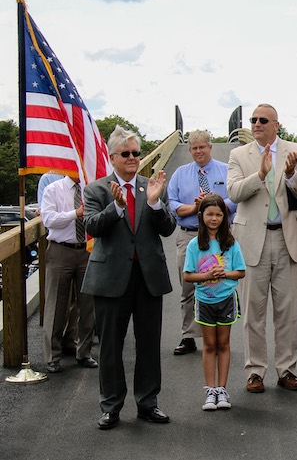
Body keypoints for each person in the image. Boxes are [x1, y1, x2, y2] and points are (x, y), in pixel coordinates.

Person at [82, 125, 176, 430]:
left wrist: (153, 203)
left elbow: (168, 228)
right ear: (113, 157)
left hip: (147, 276)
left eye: (136, 153)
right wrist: (117, 207)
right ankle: (111, 405)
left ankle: (148, 402)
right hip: (111, 278)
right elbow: (93, 227)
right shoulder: (96, 189)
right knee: (111, 344)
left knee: (149, 343)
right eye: (126, 153)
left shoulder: (151, 186)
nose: (133, 158)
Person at [227, 103, 297, 393]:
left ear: (277, 125)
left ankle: (287, 369)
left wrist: (291, 175)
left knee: (287, 311)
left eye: (262, 120)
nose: (256, 124)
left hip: (286, 237)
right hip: (253, 239)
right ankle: (255, 371)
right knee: (253, 311)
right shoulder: (239, 154)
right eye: (253, 119)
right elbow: (233, 193)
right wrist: (260, 175)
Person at [168, 129, 236, 356]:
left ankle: (217, 335)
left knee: (219, 285)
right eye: (194, 148)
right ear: (190, 150)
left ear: (210, 147)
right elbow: (173, 204)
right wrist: (196, 208)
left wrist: (211, 205)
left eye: (202, 147)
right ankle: (188, 336)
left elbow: (234, 198)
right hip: (189, 235)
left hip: (220, 236)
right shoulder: (180, 173)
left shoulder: (226, 171)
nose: (198, 151)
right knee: (188, 287)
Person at [183, 194, 246, 411]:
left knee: (223, 344)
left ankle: (222, 388)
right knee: (209, 346)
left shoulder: (230, 243)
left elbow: (241, 272)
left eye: (219, 214)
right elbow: (188, 276)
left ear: (224, 217)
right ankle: (210, 389)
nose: (214, 218)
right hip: (204, 301)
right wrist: (208, 275)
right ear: (201, 216)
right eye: (210, 214)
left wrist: (224, 274)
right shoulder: (194, 245)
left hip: (226, 299)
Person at [40, 176, 96, 373]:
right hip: (60, 250)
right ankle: (52, 356)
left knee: (87, 305)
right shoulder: (53, 190)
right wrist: (75, 213)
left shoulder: (91, 188)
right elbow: (48, 220)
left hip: (87, 250)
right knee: (56, 304)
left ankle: (84, 352)